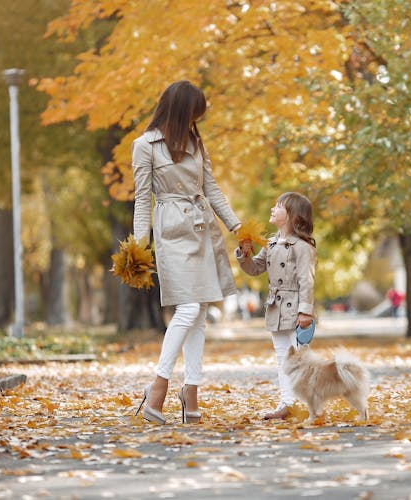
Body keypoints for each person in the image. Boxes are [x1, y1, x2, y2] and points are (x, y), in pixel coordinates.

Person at [132, 80, 241, 424]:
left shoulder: (196, 143)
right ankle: (159, 384)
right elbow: (142, 200)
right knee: (189, 307)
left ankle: (190, 389)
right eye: (194, 113)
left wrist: (237, 226)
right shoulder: (145, 146)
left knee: (201, 312)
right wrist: (138, 247)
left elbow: (211, 188)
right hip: (171, 232)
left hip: (200, 228)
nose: (198, 120)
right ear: (181, 111)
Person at [236, 192, 316, 420]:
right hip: (276, 308)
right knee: (282, 358)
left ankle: (308, 403)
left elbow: (306, 281)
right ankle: (287, 403)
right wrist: (244, 255)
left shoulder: (302, 247)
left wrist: (305, 311)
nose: (272, 209)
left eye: (278, 206)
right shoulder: (270, 243)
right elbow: (255, 269)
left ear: (292, 216)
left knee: (299, 360)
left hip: (295, 309)